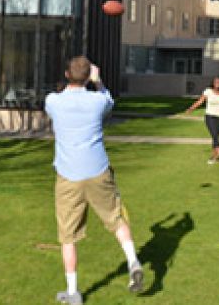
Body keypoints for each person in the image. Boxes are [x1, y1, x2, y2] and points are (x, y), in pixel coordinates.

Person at [45, 57, 144, 304]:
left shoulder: (53, 101)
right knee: (116, 218)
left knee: (68, 236)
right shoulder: (98, 101)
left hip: (68, 176)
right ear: (89, 76)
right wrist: (97, 82)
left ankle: (73, 292)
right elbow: (108, 100)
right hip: (98, 171)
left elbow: (56, 101)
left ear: (66, 74)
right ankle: (133, 261)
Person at [186, 77, 219, 166]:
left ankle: (214, 156)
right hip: (210, 117)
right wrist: (191, 108)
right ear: (213, 83)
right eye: (215, 81)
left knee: (215, 137)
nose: (217, 83)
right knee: (215, 136)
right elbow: (200, 101)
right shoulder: (208, 91)